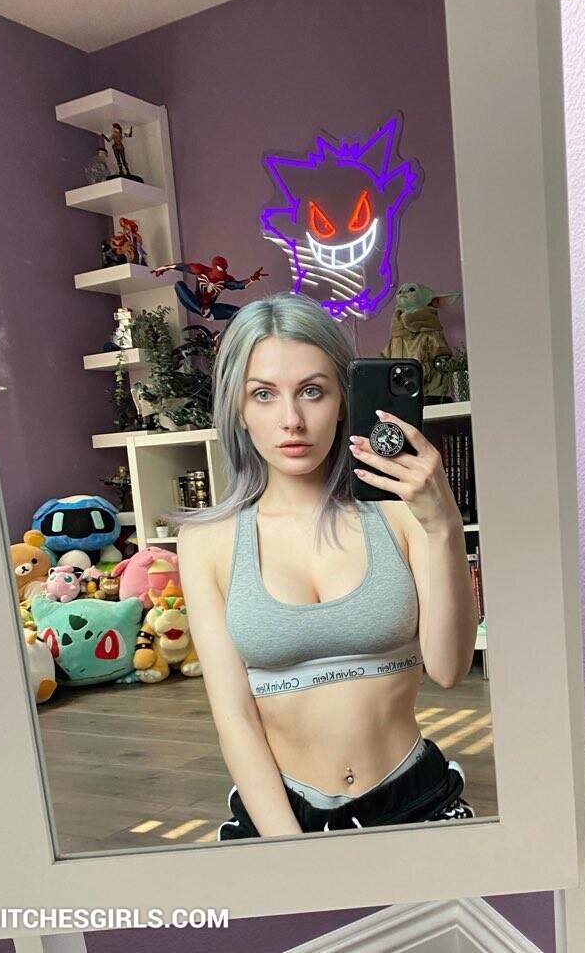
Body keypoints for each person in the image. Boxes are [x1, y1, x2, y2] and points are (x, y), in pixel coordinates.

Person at [176, 290, 480, 838]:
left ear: (344, 399)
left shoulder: (402, 515)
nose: (291, 420)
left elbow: (449, 668)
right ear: (238, 410)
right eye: (263, 394)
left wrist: (444, 526)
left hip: (414, 797)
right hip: (283, 814)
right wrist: (289, 849)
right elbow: (235, 716)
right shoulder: (206, 542)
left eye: (312, 391)